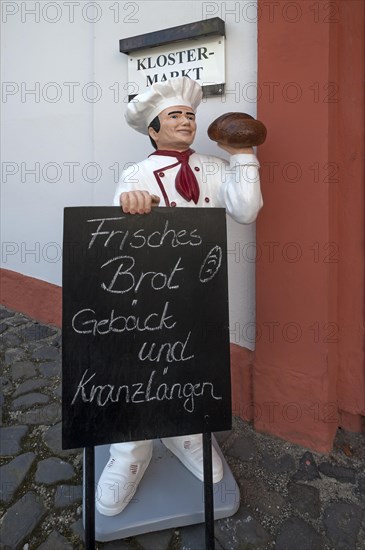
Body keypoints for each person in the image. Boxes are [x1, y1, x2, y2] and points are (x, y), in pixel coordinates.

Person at [96, 76, 263, 517]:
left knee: (195, 361)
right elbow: (112, 239)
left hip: (200, 287)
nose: (186, 120)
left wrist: (244, 156)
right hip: (147, 294)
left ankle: (187, 432)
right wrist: (127, 204)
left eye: (190, 114)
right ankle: (130, 451)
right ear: (153, 129)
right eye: (175, 115)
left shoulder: (214, 166)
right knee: (139, 366)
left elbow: (246, 210)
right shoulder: (135, 173)